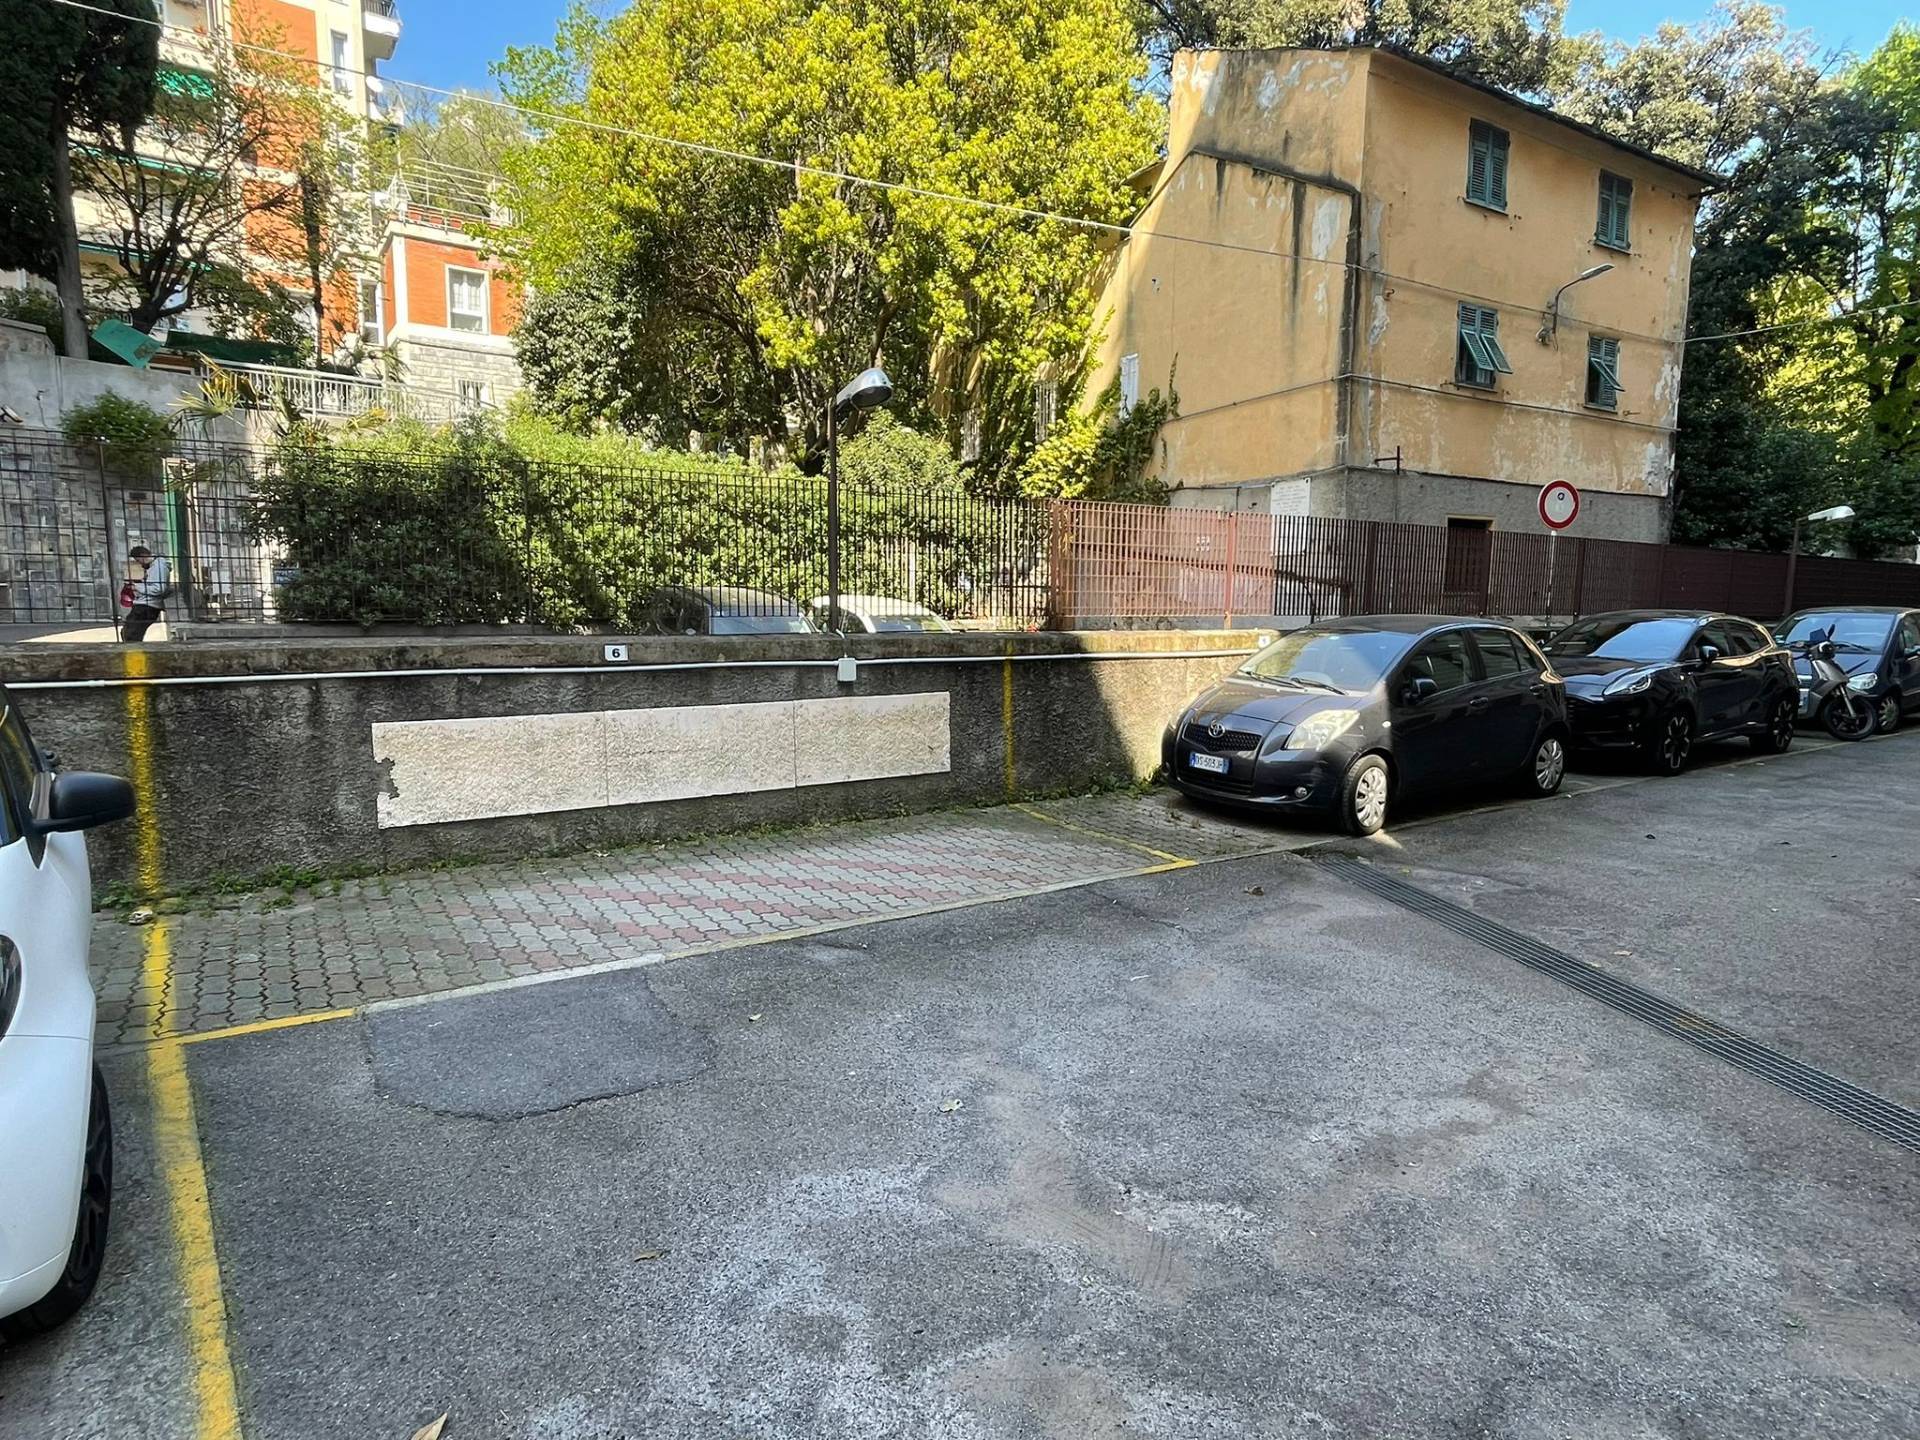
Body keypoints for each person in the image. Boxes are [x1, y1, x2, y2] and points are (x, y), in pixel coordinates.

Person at [121, 545, 172, 643]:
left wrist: (137, 587)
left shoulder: (158, 567)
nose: (139, 563)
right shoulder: (153, 567)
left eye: (138, 560)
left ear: (143, 556)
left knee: (131, 635)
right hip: (145, 604)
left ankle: (134, 655)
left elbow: (159, 589)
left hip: (148, 606)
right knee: (128, 632)